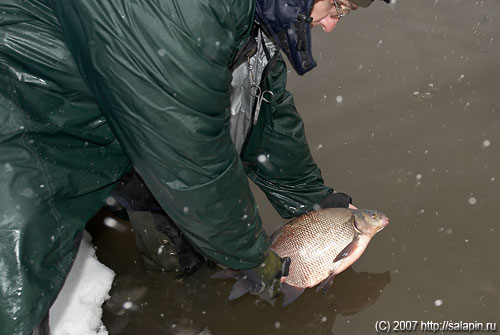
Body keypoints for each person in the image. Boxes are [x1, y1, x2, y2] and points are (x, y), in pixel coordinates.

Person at [0, 0, 390, 334]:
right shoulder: (188, 12)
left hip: (115, 118)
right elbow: (190, 157)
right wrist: (254, 257)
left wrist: (313, 198)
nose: (331, 24)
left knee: (180, 232)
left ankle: (170, 291)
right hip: (28, 117)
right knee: (14, 298)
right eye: (337, 5)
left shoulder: (250, 16)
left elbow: (265, 111)